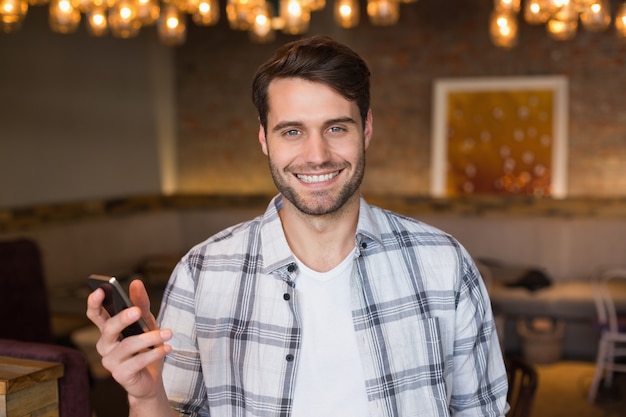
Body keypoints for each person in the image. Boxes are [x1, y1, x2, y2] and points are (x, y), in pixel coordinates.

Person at [87, 35, 509, 417]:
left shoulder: (444, 264)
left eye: (336, 128)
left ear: (367, 130)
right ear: (264, 140)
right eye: (292, 131)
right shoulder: (202, 274)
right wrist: (146, 398)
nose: (317, 155)